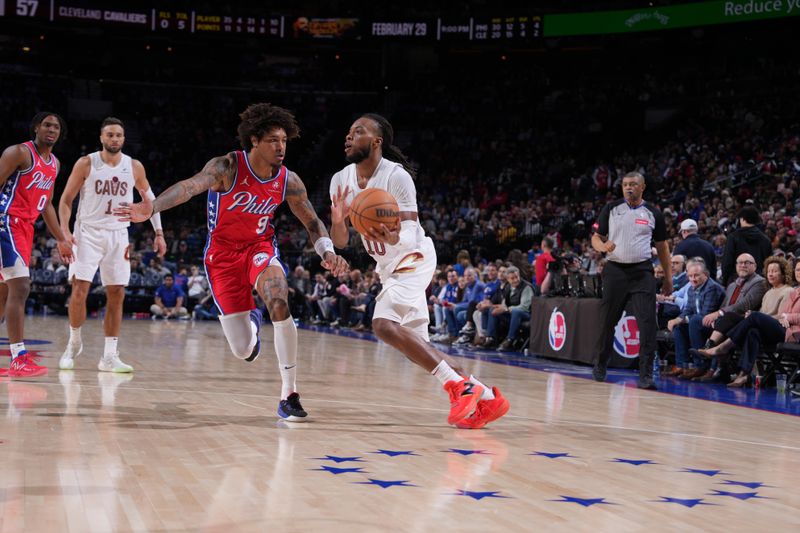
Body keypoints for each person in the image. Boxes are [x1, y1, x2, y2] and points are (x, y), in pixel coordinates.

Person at [117, 103, 348, 421]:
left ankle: (289, 394)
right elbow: (189, 187)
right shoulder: (227, 166)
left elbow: (311, 222)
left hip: (259, 248)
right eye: (272, 140)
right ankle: (253, 321)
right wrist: (153, 207)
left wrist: (327, 252)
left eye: (284, 140)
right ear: (254, 140)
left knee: (279, 299)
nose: (280, 147)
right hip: (222, 257)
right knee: (243, 350)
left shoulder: (288, 180)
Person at [329, 113, 509, 429]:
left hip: (413, 258)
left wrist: (394, 236)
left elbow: (410, 230)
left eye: (358, 131)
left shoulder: (396, 177)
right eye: (348, 131)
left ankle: (457, 387)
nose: (348, 136)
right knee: (418, 349)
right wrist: (339, 220)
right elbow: (340, 241)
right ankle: (487, 399)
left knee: (383, 324)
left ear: (376, 141)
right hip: (388, 268)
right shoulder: (340, 180)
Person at [58, 117, 167, 373]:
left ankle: (109, 356)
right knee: (79, 291)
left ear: (123, 138)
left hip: (118, 235)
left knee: (117, 293)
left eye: (118, 135)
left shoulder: (134, 166)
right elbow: (65, 200)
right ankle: (73, 343)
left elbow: (152, 201)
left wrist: (159, 233)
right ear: (101, 138)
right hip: (87, 234)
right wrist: (64, 232)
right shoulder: (87, 163)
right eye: (110, 135)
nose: (114, 139)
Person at [0, 112, 74, 377]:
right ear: (36, 128)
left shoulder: (54, 164)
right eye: (47, 125)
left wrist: (62, 239)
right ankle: (19, 357)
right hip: (5, 221)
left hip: (25, 228)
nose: (51, 129)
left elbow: (47, 206)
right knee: (20, 286)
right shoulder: (19, 152)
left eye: (56, 126)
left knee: (5, 294)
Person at [591, 172, 671, 390]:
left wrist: (668, 277)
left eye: (633, 184)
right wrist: (602, 247)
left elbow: (663, 247)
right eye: (625, 184)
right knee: (607, 321)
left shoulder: (654, 213)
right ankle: (600, 363)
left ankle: (645, 374)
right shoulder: (611, 208)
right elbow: (596, 237)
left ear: (642, 187)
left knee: (647, 323)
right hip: (615, 271)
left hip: (642, 272)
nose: (628, 188)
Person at [696, 258, 800, 387]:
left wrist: (786, 317)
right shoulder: (791, 292)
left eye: (775, 271)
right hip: (780, 327)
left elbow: (783, 315)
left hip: (792, 333)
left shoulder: (788, 290)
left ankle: (723, 347)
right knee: (752, 331)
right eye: (797, 270)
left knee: (754, 316)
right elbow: (782, 315)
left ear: (784, 273)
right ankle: (743, 374)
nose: (798, 272)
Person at [665, 258, 725, 378]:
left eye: (696, 275)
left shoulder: (711, 287)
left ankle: (700, 365)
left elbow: (705, 314)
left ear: (705, 274)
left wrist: (684, 319)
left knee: (695, 320)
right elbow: (688, 309)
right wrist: (678, 319)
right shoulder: (692, 288)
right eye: (690, 276)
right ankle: (682, 365)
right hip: (697, 324)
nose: (693, 279)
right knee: (679, 326)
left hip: (715, 327)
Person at [483, 266, 533, 352]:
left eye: (517, 277)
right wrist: (497, 307)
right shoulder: (508, 287)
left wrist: (506, 309)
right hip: (512, 314)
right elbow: (504, 304)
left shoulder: (526, 287)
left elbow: (524, 307)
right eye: (512, 278)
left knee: (517, 311)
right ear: (508, 279)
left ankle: (510, 340)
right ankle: (491, 338)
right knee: (492, 310)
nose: (515, 280)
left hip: (526, 314)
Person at [720, 206, 772, 285]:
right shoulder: (766, 240)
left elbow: (727, 262)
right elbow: (769, 263)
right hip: (759, 282)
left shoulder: (733, 237)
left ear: (742, 219)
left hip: (736, 282)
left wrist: (725, 282)